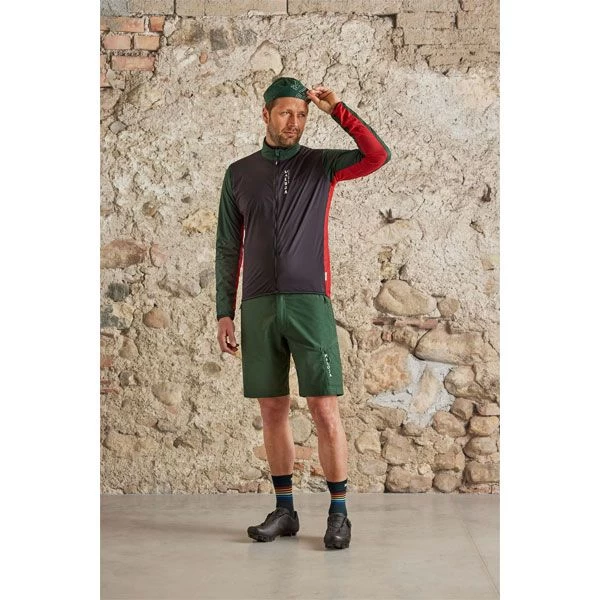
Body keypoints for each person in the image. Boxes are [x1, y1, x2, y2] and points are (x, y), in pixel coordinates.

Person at [215, 77, 391, 550]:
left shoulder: (321, 164)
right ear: (266, 114)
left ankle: (339, 513)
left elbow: (378, 155)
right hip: (257, 306)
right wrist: (224, 311)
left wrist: (338, 110)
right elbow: (228, 246)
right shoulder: (239, 173)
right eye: (286, 113)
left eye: (302, 114)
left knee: (324, 408)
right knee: (272, 409)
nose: (294, 122)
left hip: (310, 303)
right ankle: (285, 511)